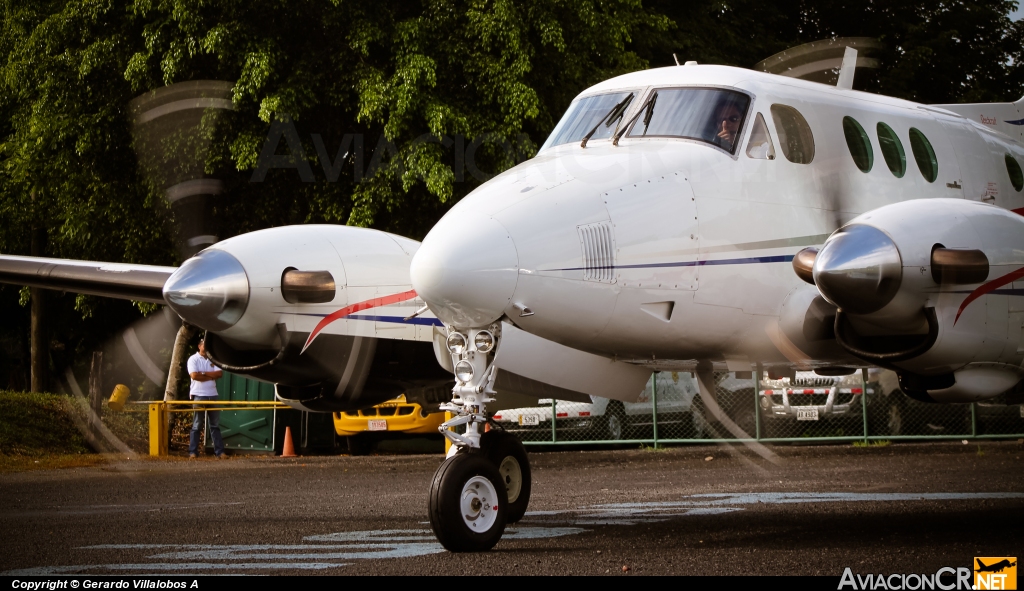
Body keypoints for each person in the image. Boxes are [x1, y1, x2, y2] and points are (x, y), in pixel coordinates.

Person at [187, 338, 226, 459]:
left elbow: (219, 374)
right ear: (199, 346)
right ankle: (193, 452)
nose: (206, 347)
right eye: (204, 344)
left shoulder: (212, 359)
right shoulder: (193, 359)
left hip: (213, 394)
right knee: (197, 424)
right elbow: (194, 375)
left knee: (214, 425)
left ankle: (219, 452)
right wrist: (210, 375)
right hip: (199, 394)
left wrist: (203, 373)